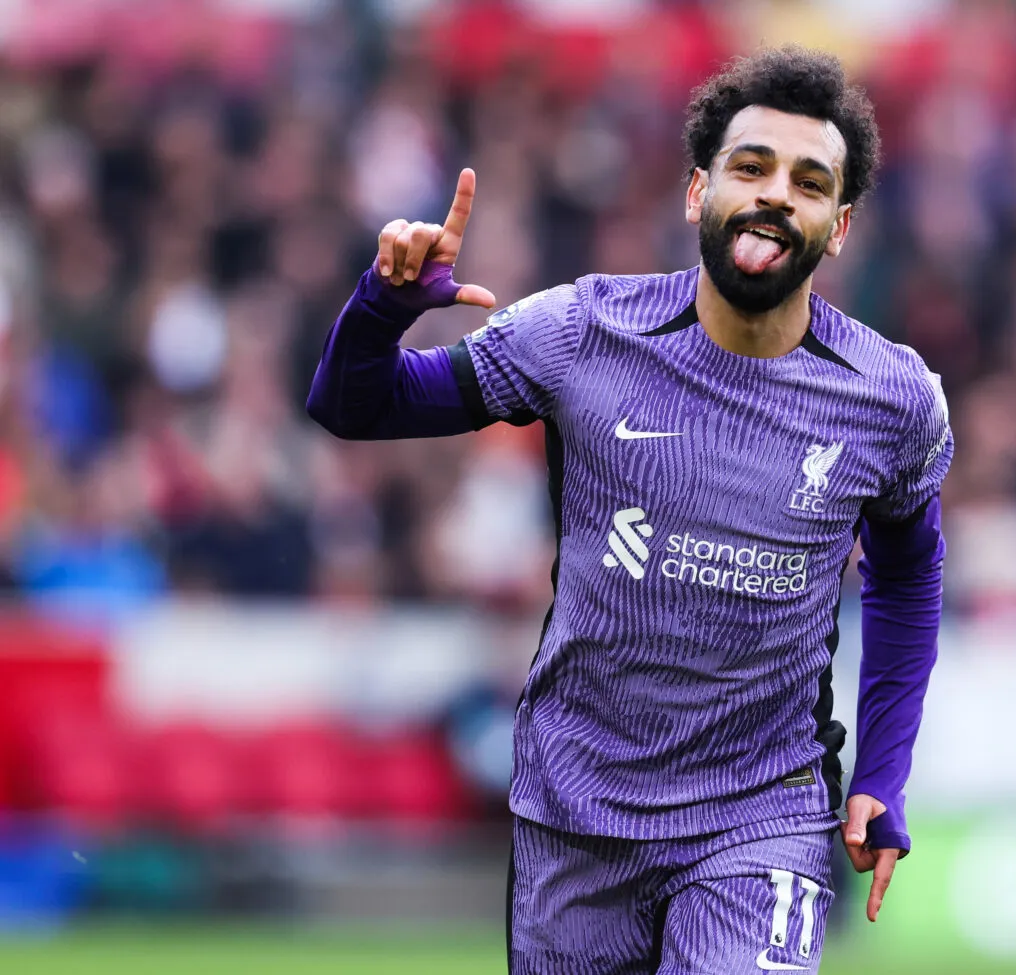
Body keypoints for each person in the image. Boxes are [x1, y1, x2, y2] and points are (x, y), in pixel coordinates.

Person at [307, 46, 951, 975]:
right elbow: (353, 404)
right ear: (697, 192)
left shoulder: (890, 398)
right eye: (751, 167)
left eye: (810, 183)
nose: (777, 194)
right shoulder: (583, 333)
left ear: (839, 226)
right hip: (576, 812)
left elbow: (909, 575)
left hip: (761, 813)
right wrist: (382, 306)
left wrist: (882, 772)